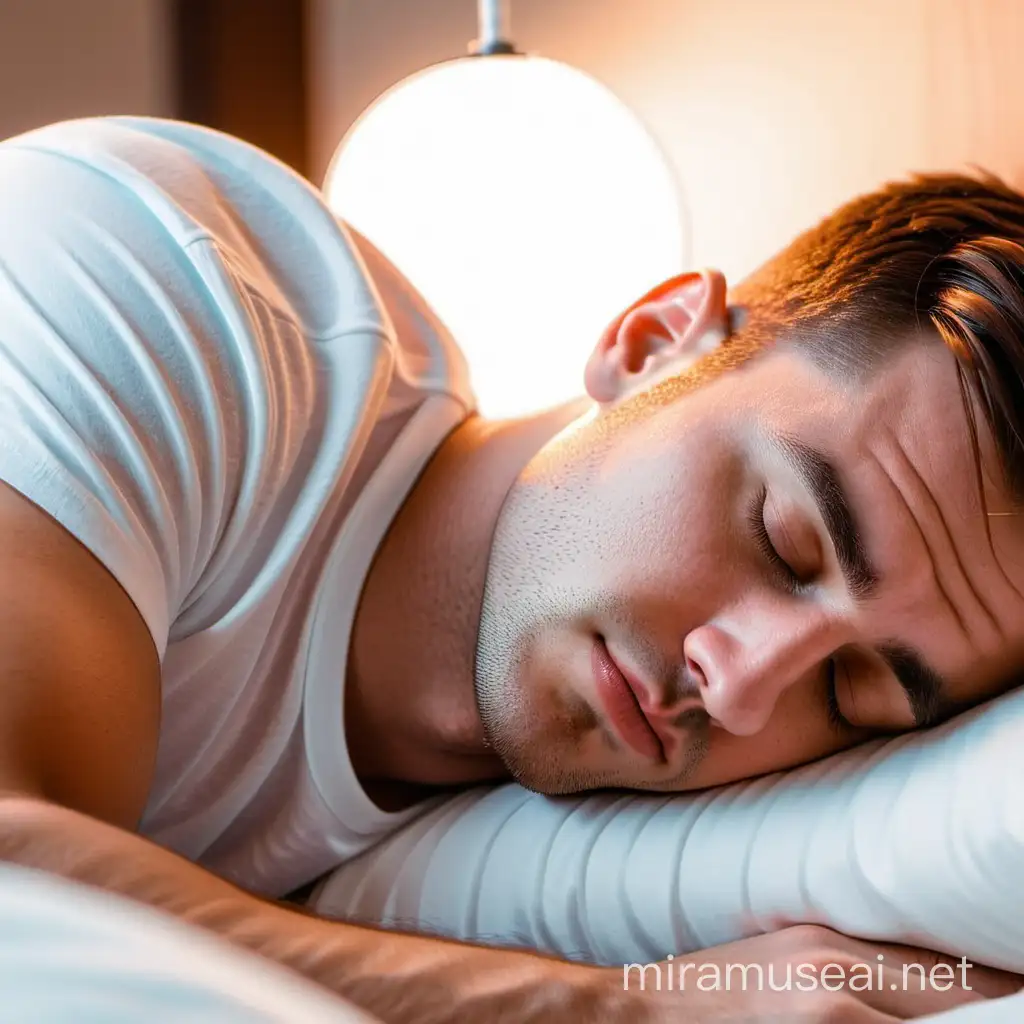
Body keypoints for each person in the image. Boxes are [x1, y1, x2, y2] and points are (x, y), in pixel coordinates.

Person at [0, 114, 1022, 1022]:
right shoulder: (156, 275)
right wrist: (625, 1009)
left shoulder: (519, 839)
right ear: (653, 340)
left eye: (851, 689)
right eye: (784, 538)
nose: (744, 687)